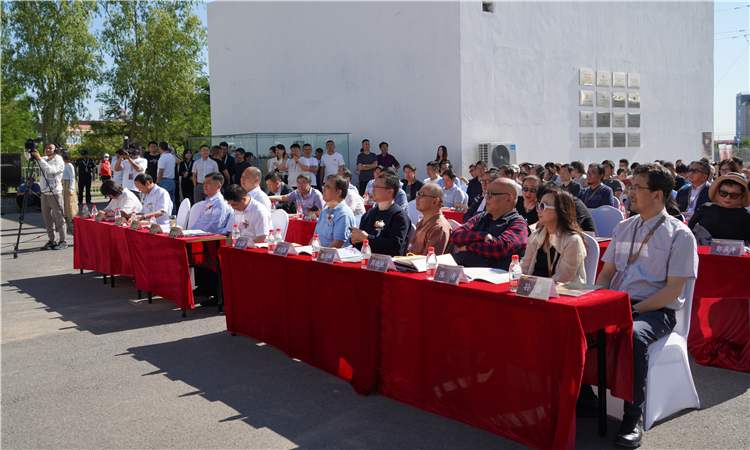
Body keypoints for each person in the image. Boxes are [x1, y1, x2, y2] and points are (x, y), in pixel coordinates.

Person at [594, 164, 698, 448]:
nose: (630, 192)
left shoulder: (680, 235)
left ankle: (632, 416)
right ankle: (585, 399)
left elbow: (672, 292)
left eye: (637, 187)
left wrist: (632, 311)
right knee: (575, 323)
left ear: (658, 195)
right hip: (617, 301)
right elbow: (605, 274)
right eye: (630, 187)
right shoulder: (624, 226)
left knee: (634, 335)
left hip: (655, 311)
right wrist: (596, 303)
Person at [451, 178, 527, 270]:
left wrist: (468, 247)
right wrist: (483, 236)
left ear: (508, 199)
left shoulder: (518, 223)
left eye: (491, 194)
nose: (486, 197)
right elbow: (456, 236)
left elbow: (500, 248)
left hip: (491, 276)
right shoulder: (480, 217)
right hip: (462, 268)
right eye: (486, 193)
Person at [520, 188, 588, 283]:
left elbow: (562, 279)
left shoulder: (573, 240)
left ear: (560, 210)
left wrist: (533, 288)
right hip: (534, 291)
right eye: (538, 205)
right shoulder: (535, 236)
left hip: (561, 294)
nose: (539, 210)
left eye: (543, 206)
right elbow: (524, 269)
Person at [350, 172, 411, 256]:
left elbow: (396, 245)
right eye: (373, 186)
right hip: (367, 260)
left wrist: (367, 238)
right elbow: (361, 246)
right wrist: (355, 240)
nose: (372, 190)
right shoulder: (369, 214)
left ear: (390, 192)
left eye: (377, 187)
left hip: (389, 264)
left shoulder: (399, 216)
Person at [688, 172, 750, 245]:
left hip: (730, 255)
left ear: (742, 195)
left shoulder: (745, 216)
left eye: (734, 195)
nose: (727, 197)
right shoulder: (705, 208)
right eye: (723, 193)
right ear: (718, 191)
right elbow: (688, 232)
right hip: (701, 254)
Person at [26, 143, 67, 250]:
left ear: (56, 150)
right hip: (44, 192)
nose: (48, 150)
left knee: (59, 218)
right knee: (47, 218)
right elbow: (30, 160)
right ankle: (51, 240)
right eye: (46, 148)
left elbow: (50, 170)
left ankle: (63, 240)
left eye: (50, 148)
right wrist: (27, 151)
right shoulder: (44, 158)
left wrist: (39, 158)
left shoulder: (59, 160)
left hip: (55, 192)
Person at [409, 183, 453, 255]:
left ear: (434, 201)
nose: (416, 198)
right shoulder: (423, 222)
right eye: (417, 194)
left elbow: (428, 261)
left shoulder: (439, 228)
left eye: (421, 195)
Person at [314, 174, 356, 248]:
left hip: (333, 256)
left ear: (338, 192)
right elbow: (315, 238)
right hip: (319, 253)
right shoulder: (324, 211)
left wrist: (318, 255)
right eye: (324, 186)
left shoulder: (344, 214)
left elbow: (338, 244)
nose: (323, 189)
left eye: (327, 187)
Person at [156, 141, 177, 215]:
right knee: (172, 201)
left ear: (160, 148)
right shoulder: (171, 156)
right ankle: (173, 217)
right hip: (172, 180)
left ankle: (166, 217)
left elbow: (161, 171)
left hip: (164, 181)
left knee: (164, 201)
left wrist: (157, 182)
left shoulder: (162, 157)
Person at [59, 150, 78, 226]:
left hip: (67, 183)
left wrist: (71, 188)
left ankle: (72, 219)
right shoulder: (61, 164)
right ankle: (65, 220)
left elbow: (72, 177)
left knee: (69, 203)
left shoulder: (69, 165)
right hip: (61, 184)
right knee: (62, 203)